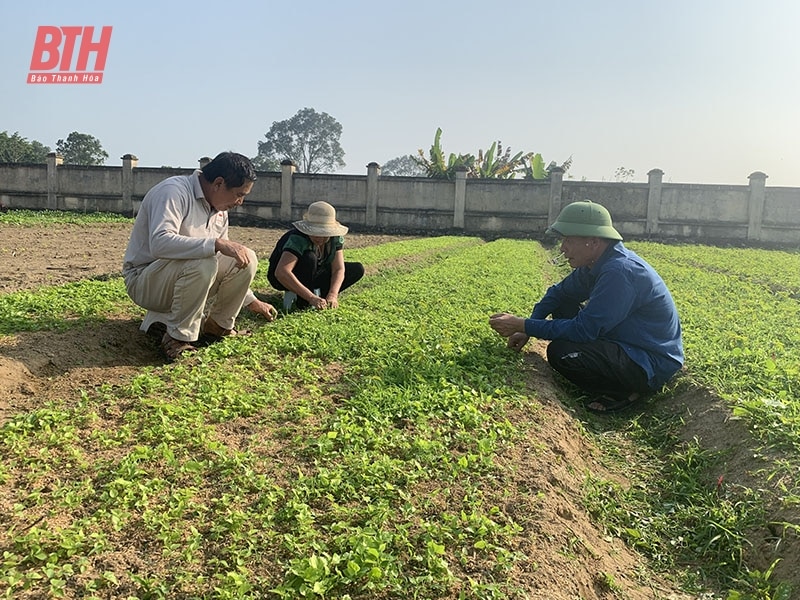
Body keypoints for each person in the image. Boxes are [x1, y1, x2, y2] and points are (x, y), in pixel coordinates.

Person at [489, 199, 684, 413]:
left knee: (561, 352)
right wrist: (528, 327)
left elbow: (584, 330)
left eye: (569, 240)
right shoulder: (595, 264)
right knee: (563, 303)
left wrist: (524, 325)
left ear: (593, 242)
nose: (562, 248)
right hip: (624, 340)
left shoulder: (620, 272)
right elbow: (558, 293)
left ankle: (625, 390)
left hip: (647, 360)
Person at [122, 151, 277, 361]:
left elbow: (227, 260)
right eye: (239, 194)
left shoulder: (220, 209)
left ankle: (217, 327)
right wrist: (215, 244)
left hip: (186, 276)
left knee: (245, 257)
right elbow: (159, 243)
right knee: (204, 259)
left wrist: (251, 300)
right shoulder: (173, 192)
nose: (240, 202)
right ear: (219, 183)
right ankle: (177, 338)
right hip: (145, 280)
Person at [268, 201, 364, 311]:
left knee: (357, 269)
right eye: (315, 232)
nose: (319, 238)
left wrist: (333, 294)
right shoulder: (298, 238)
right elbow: (281, 272)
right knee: (310, 258)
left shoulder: (335, 239)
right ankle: (304, 301)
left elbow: (338, 269)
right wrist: (311, 297)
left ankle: (321, 297)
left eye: (324, 234)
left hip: (314, 273)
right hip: (284, 277)